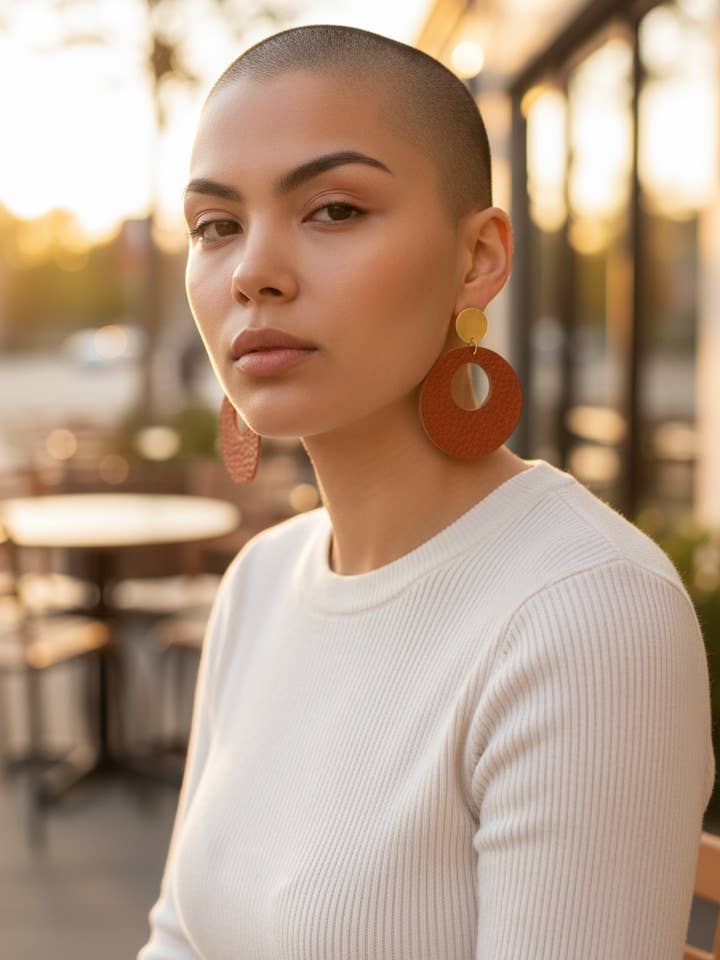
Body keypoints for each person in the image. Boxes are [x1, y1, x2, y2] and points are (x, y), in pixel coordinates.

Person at [138, 24, 715, 960]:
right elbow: (180, 937)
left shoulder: (587, 615)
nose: (253, 273)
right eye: (217, 225)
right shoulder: (260, 581)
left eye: (332, 210)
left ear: (478, 258)